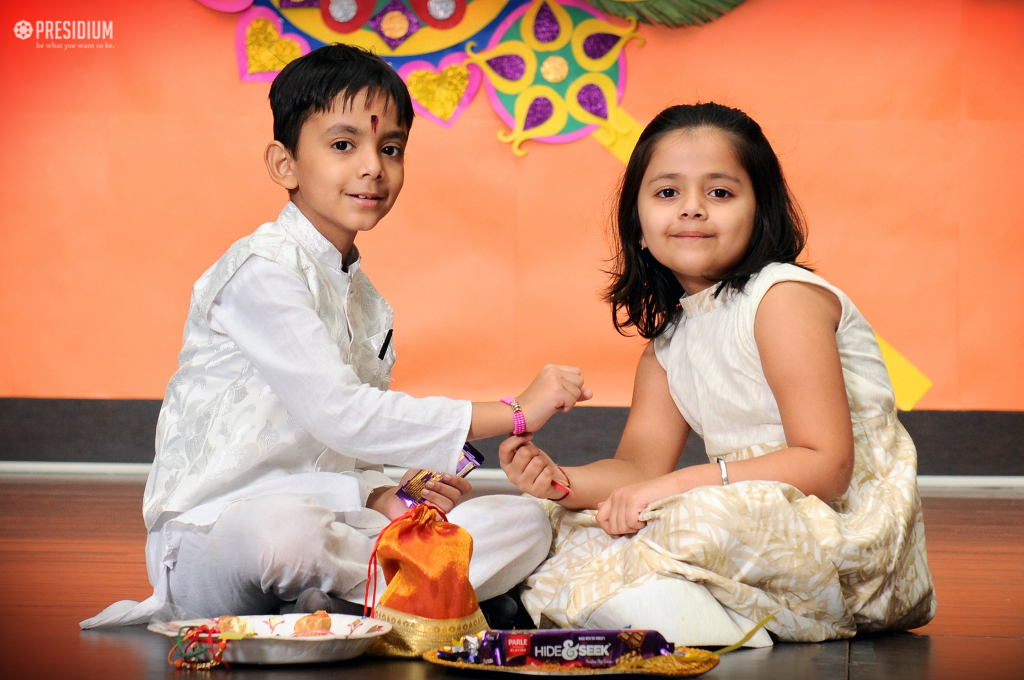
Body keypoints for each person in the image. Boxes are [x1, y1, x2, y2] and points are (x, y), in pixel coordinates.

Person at [81, 44, 591, 629]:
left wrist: (395, 490)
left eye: (391, 148)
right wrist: (515, 413)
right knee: (281, 534)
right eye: (344, 145)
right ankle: (411, 592)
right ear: (284, 164)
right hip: (221, 533)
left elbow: (348, 452)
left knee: (522, 521)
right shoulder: (260, 271)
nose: (373, 166)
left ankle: (343, 601)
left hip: (338, 525)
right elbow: (341, 414)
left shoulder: (367, 301)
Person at [499, 103, 936, 643]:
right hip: (736, 510)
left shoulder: (782, 299)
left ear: (761, 212)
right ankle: (678, 611)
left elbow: (828, 468)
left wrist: (674, 488)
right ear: (637, 227)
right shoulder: (669, 345)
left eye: (720, 193)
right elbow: (638, 469)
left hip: (846, 540)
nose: (692, 210)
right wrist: (560, 482)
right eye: (667, 193)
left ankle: (688, 619)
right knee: (553, 520)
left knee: (686, 518)